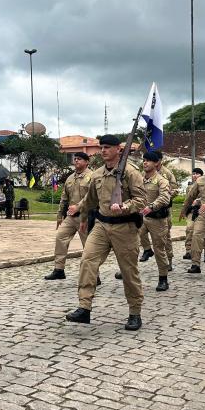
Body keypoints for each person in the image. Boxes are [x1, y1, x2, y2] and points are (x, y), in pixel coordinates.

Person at [65, 134, 146, 330]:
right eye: (102, 147)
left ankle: (135, 312)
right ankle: (84, 307)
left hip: (124, 227)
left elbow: (141, 200)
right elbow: (90, 200)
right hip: (101, 225)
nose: (103, 150)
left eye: (108, 147)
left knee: (128, 271)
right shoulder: (97, 174)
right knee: (87, 260)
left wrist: (125, 206)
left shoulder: (130, 172)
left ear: (118, 149)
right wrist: (81, 213)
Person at [44, 152, 93, 280]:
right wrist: (59, 215)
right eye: (75, 159)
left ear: (87, 162)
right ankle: (59, 269)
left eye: (79, 159)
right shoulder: (70, 178)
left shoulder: (92, 176)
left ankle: (94, 275)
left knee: (89, 246)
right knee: (60, 237)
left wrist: (80, 207)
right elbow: (64, 198)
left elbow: (92, 197)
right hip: (71, 217)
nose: (76, 161)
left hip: (86, 216)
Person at [139, 151, 172, 291]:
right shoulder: (139, 179)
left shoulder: (162, 180)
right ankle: (146, 250)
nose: (145, 163)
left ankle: (163, 279)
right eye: (144, 160)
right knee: (132, 242)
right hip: (141, 218)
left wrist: (151, 207)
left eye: (149, 161)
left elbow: (165, 197)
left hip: (157, 220)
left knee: (159, 250)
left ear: (156, 163)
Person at [180, 167, 205, 260]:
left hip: (202, 211)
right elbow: (187, 200)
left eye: (197, 174)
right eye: (193, 173)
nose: (195, 175)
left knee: (202, 234)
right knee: (189, 229)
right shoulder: (189, 187)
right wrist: (183, 211)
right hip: (192, 211)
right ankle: (188, 251)